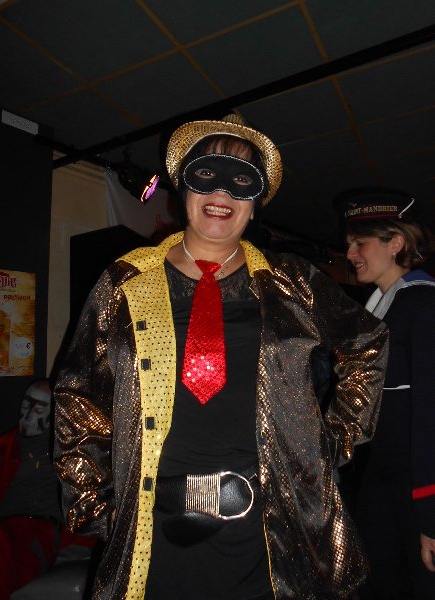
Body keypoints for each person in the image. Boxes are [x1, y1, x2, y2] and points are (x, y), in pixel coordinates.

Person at [53, 114, 388, 600]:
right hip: (152, 528)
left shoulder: (292, 281)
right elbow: (78, 394)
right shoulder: (125, 282)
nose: (221, 192)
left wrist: (332, 441)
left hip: (273, 532)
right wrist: (94, 500)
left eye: (241, 181)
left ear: (255, 204)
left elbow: (367, 342)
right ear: (183, 188)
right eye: (206, 174)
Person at [336, 187, 435, 599]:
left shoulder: (423, 307)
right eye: (348, 244)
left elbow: (430, 417)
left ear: (395, 244)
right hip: (382, 480)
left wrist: (429, 514)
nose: (350, 254)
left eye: (359, 243)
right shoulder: (378, 312)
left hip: (417, 486)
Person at [0, 379, 62, 599]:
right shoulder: (3, 446)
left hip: (36, 530)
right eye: (25, 405)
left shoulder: (63, 452)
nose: (26, 415)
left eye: (37, 409)